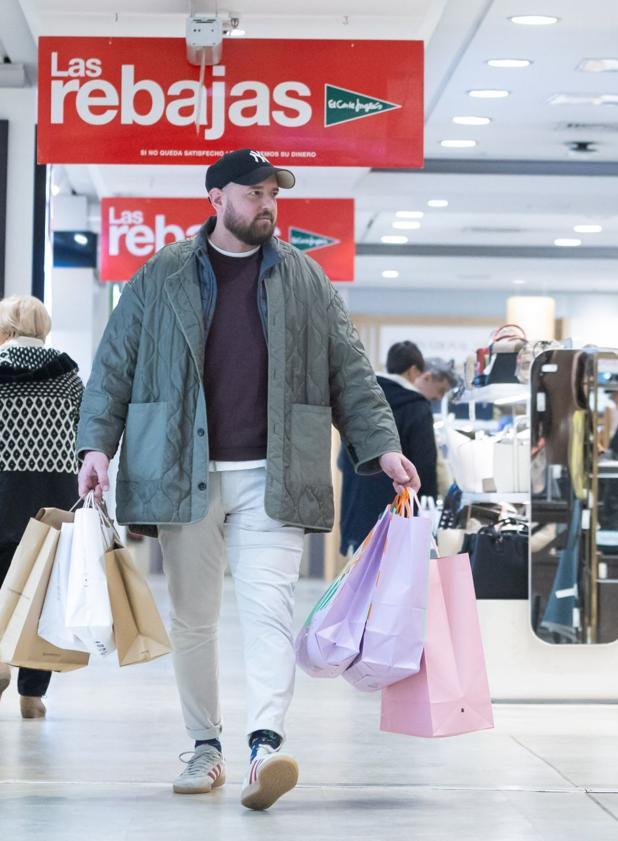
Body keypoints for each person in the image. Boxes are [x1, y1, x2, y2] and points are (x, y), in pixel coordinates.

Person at [75, 149, 417, 811]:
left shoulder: (305, 278)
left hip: (276, 470)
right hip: (182, 466)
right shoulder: (163, 273)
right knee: (194, 617)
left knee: (268, 610)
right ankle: (205, 746)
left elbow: (350, 368)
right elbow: (114, 362)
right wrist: (96, 445)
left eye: (272, 193)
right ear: (217, 198)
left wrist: (384, 447)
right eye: (254, 192)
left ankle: (264, 746)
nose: (267, 204)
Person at [0, 295, 84, 720]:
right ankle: (32, 694)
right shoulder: (69, 379)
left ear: (6, 333)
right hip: (56, 502)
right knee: (46, 597)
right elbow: (87, 439)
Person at [338, 341, 440, 556]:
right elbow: (425, 465)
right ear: (413, 371)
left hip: (357, 512)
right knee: (395, 583)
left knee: (361, 582)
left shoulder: (362, 401)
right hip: (398, 516)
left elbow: (343, 460)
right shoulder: (416, 406)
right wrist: (429, 508)